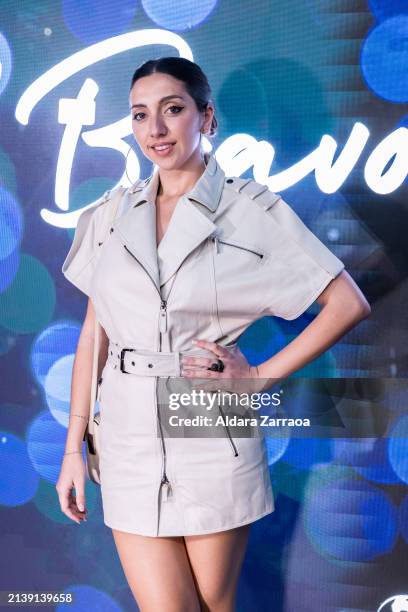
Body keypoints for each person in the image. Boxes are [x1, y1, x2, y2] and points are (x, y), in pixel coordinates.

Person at [56, 57, 371, 612]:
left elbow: (348, 303)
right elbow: (92, 334)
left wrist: (256, 379)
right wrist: (73, 447)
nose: (154, 129)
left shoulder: (252, 211)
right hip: (126, 428)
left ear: (206, 117)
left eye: (172, 110)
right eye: (139, 115)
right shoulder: (109, 216)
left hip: (203, 416)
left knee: (214, 604)